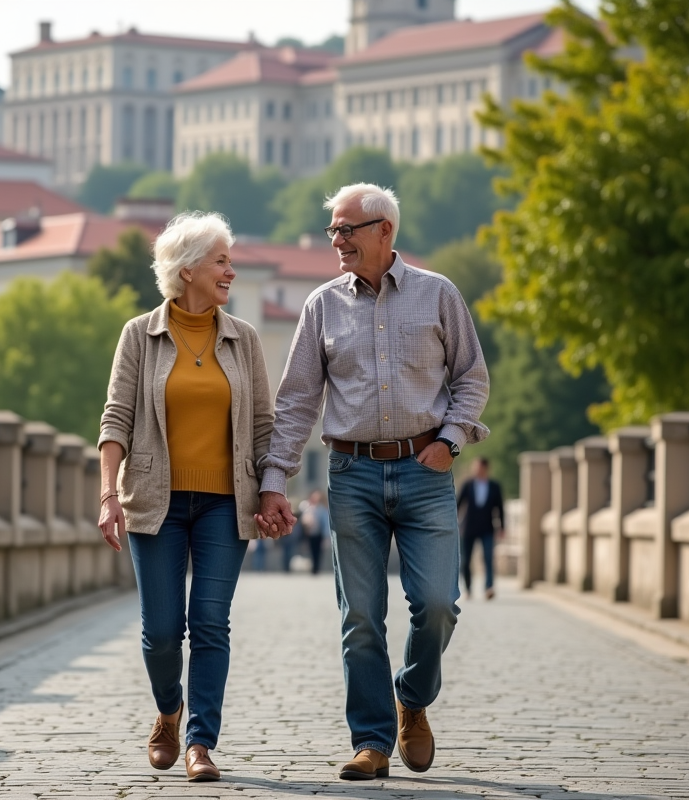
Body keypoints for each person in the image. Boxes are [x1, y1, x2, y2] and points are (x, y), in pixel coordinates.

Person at [255, 183, 489, 781]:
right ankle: (371, 740)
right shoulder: (322, 305)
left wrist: (450, 442)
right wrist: (275, 480)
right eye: (333, 229)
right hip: (351, 472)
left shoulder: (439, 295)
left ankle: (411, 697)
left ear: (385, 231)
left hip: (424, 470)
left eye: (347, 229)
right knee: (359, 616)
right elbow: (297, 401)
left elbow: (472, 379)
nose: (336, 241)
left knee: (438, 605)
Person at [97, 210, 285, 783]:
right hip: (156, 500)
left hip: (225, 504)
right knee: (160, 631)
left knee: (209, 623)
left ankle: (201, 742)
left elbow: (262, 426)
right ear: (187, 269)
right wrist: (108, 495)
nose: (231, 270)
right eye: (221, 261)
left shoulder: (243, 339)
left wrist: (272, 489)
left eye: (229, 260)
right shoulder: (139, 334)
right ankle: (168, 711)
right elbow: (116, 421)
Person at [456, 457, 505, 600]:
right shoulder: (468, 485)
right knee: (466, 560)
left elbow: (500, 508)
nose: (477, 470)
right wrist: (453, 523)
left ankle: (489, 587)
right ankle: (468, 589)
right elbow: (458, 504)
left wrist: (502, 527)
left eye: (480, 468)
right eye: (475, 468)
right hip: (468, 528)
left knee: (488, 558)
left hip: (487, 528)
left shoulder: (494, 486)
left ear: (486, 469)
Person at [298, 490, 331, 575]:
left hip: (318, 534)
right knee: (311, 551)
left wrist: (326, 536)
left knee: (318, 551)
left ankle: (316, 568)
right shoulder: (307, 507)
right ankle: (313, 567)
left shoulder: (321, 509)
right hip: (309, 534)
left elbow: (325, 523)